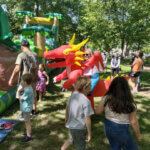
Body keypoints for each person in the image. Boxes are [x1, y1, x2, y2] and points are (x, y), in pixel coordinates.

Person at [95, 76, 142, 150]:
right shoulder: (130, 103)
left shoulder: (106, 98)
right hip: (122, 129)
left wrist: (106, 109)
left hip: (108, 127)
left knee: (114, 146)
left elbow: (97, 111)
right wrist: (138, 135)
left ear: (112, 87)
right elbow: (133, 122)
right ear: (126, 88)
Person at [61, 77, 94, 150]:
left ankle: (63, 148)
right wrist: (89, 134)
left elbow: (67, 107)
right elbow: (87, 118)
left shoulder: (74, 94)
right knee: (81, 146)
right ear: (85, 88)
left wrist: (66, 119)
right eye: (90, 85)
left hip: (71, 126)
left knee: (72, 138)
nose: (91, 86)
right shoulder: (86, 101)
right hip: (80, 128)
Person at [8, 40, 38, 116]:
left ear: (22, 47)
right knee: (33, 94)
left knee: (21, 95)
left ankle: (24, 114)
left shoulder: (21, 55)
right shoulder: (35, 54)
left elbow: (17, 68)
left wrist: (11, 79)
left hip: (25, 80)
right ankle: (33, 111)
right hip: (34, 79)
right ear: (28, 46)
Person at [18, 73, 34, 142]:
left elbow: (21, 99)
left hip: (26, 108)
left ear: (25, 82)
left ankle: (28, 136)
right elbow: (24, 88)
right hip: (27, 107)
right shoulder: (29, 87)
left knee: (27, 122)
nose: (21, 81)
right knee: (27, 121)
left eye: (22, 80)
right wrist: (22, 89)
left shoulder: (27, 90)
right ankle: (28, 131)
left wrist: (18, 93)